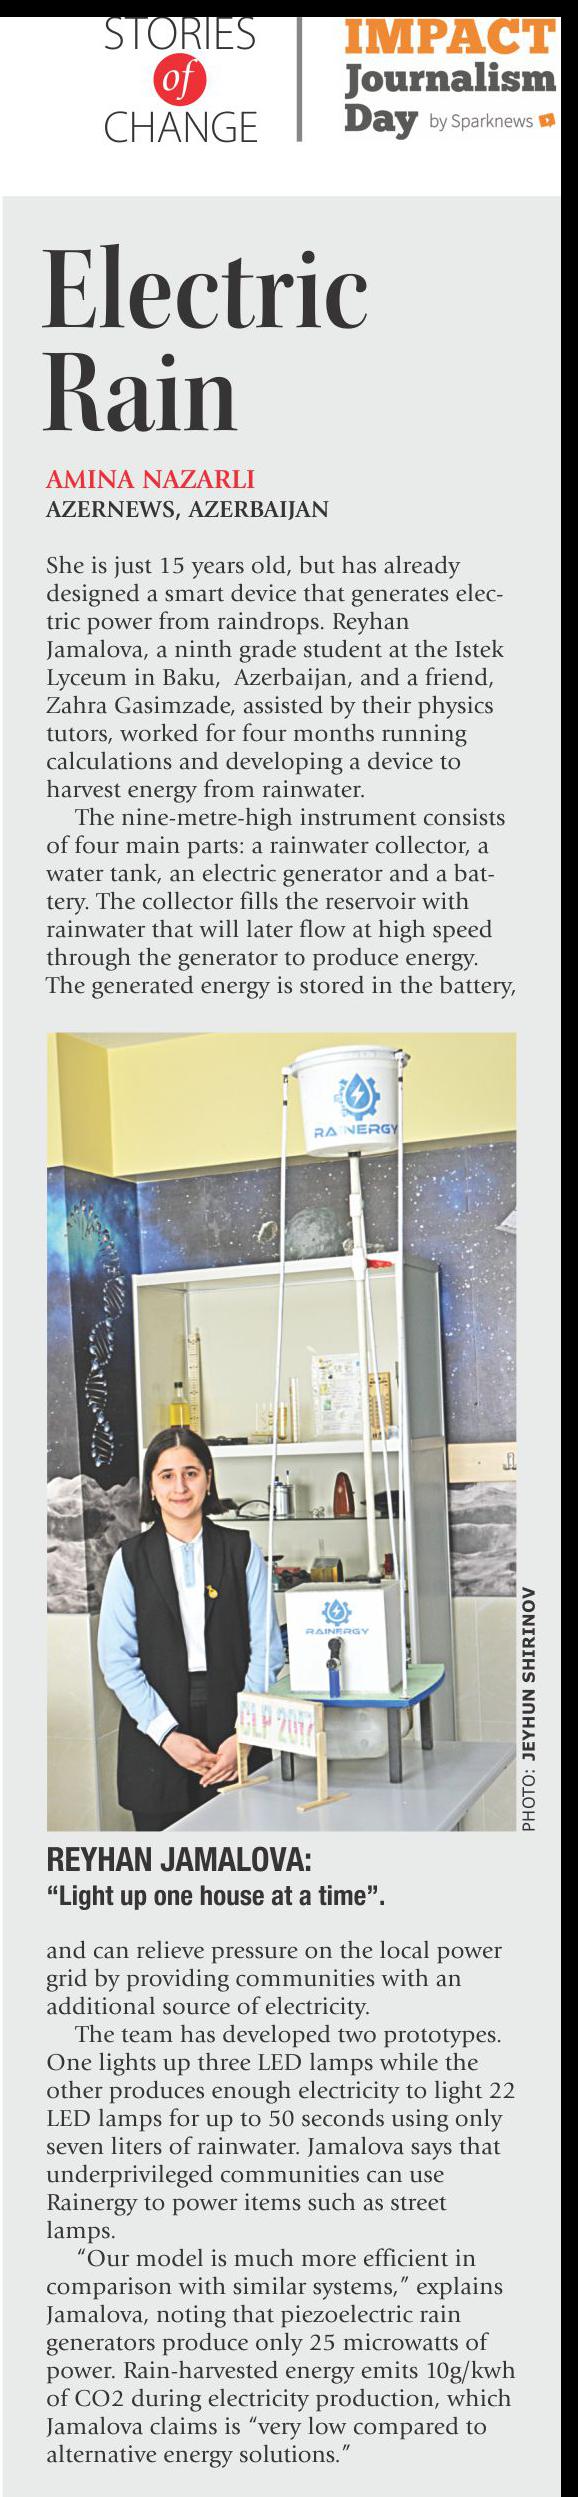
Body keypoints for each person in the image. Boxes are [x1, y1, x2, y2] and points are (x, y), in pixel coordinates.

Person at [98, 1426, 285, 1830]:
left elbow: (267, 1649)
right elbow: (116, 1660)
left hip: (234, 1725)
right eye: (167, 1475)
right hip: (156, 1729)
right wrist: (167, 1735)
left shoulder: (241, 1551)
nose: (180, 1487)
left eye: (191, 1473)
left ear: (208, 1479)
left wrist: (245, 1733)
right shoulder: (129, 1560)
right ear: (151, 1487)